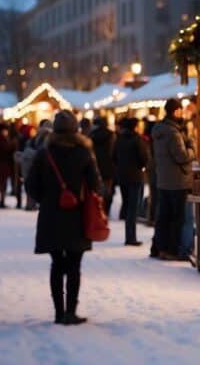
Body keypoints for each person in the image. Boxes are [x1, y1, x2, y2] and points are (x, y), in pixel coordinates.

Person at [26, 111, 100, 325]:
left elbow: (31, 184)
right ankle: (71, 311)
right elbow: (95, 184)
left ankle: (59, 312)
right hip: (77, 216)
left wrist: (46, 199)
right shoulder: (84, 152)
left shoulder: (44, 153)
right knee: (74, 265)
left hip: (51, 216)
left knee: (57, 264)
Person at [151, 99, 195, 260]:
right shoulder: (173, 133)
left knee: (163, 216)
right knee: (177, 218)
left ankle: (159, 248)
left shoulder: (158, 130)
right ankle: (171, 250)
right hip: (178, 182)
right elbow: (182, 157)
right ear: (176, 111)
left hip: (163, 179)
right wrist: (191, 145)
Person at [113, 117, 149, 246]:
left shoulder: (119, 140)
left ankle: (129, 235)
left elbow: (114, 156)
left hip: (123, 177)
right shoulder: (137, 140)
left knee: (127, 204)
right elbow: (144, 157)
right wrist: (141, 166)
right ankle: (131, 237)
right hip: (135, 177)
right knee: (133, 208)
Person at [89, 117, 115, 216]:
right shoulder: (111, 135)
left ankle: (98, 210)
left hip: (95, 166)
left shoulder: (91, 136)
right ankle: (106, 211)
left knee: (97, 190)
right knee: (108, 191)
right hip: (109, 166)